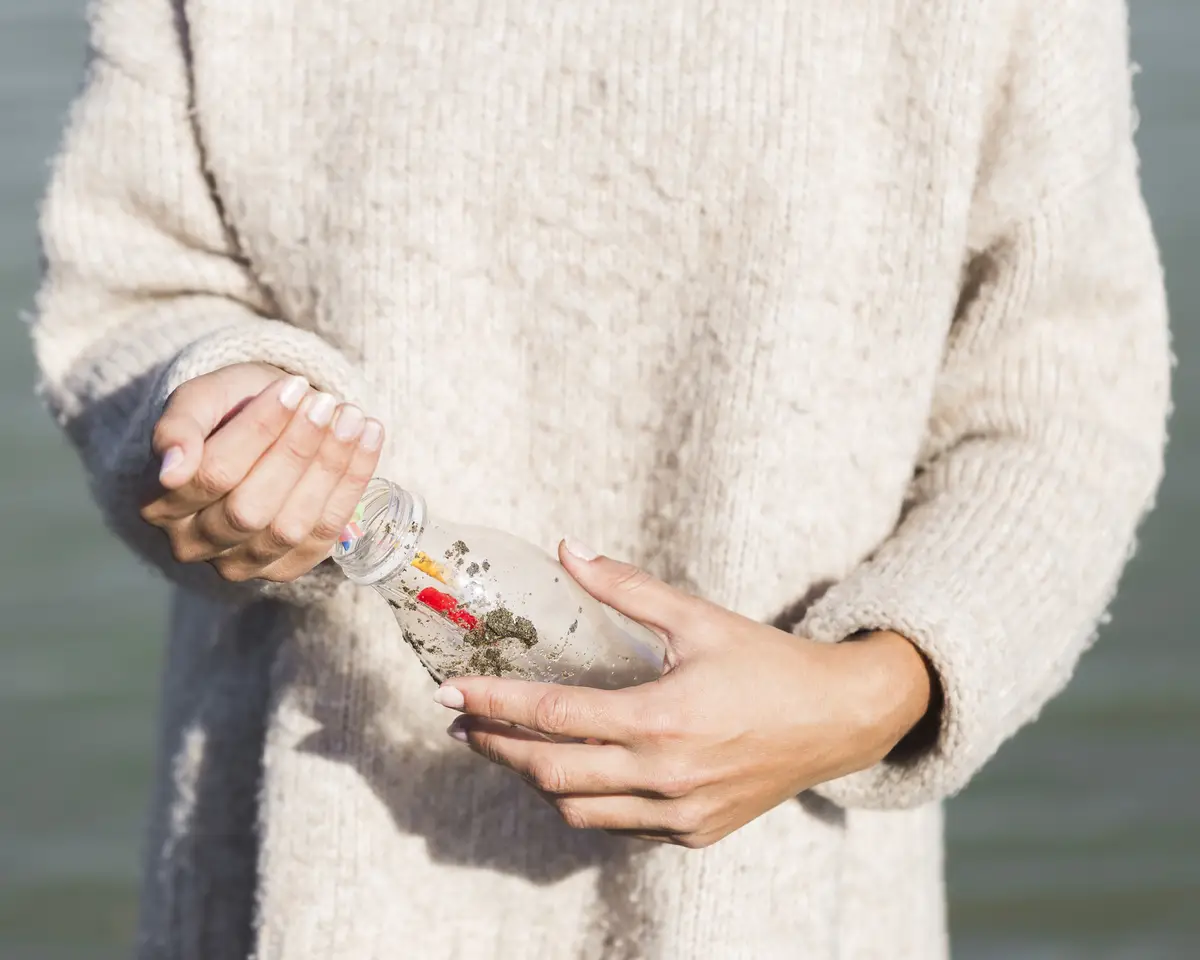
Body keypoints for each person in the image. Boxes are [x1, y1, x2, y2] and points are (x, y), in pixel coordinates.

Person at [29, 0, 1171, 956]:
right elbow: (131, 291)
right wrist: (228, 414)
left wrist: (861, 699)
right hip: (301, 881)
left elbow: (1061, 403)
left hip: (772, 903)